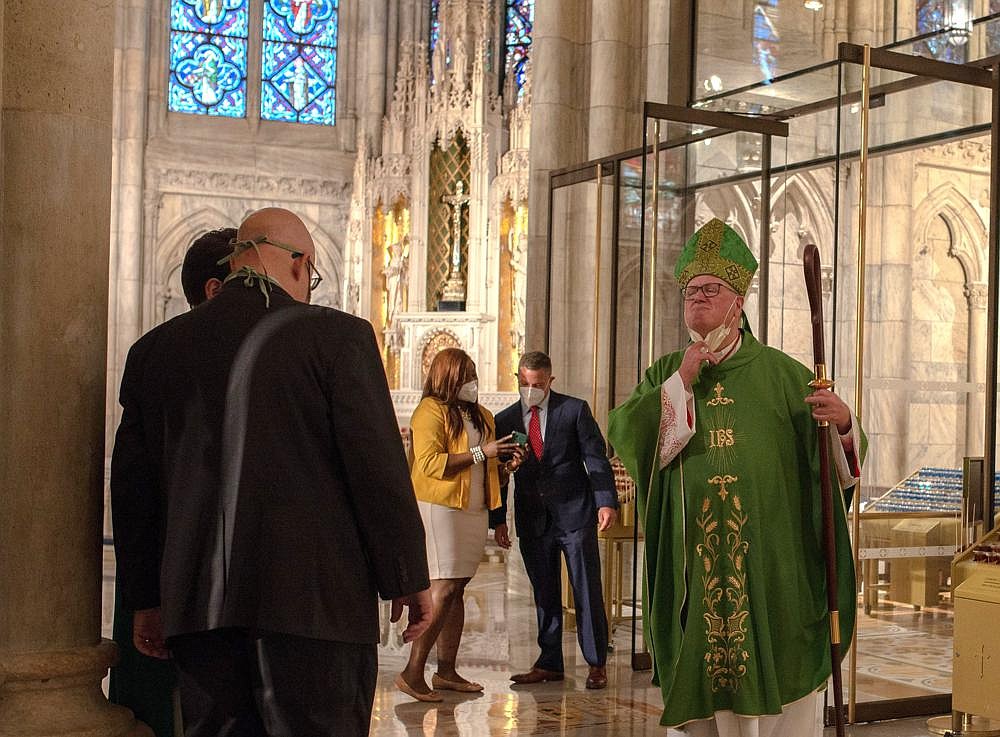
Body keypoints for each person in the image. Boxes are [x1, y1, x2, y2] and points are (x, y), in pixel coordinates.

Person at [111, 207, 432, 737]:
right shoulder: (339, 338)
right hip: (317, 609)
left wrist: (146, 598)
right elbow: (375, 469)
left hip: (198, 610)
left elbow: (135, 491)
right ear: (301, 264)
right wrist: (406, 576)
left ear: (238, 261)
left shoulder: (155, 351)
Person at [607, 218, 865, 737]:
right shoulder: (665, 373)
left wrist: (844, 428)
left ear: (738, 301)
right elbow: (627, 436)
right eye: (689, 292)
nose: (697, 300)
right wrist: (681, 383)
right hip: (696, 579)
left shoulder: (786, 375)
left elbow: (831, 481)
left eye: (710, 290)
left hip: (774, 576)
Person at [108, 226, 235, 737]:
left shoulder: (150, 351)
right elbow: (135, 485)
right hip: (173, 566)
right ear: (214, 290)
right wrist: (145, 598)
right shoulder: (163, 357)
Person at [396, 348, 521, 702]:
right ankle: (412, 671)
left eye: (473, 373)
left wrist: (507, 463)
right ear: (448, 376)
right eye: (465, 374)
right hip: (440, 507)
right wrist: (486, 453)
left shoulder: (482, 414)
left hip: (472, 508)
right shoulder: (428, 412)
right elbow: (432, 463)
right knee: (445, 586)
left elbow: (487, 467)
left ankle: (446, 670)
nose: (472, 381)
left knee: (458, 588)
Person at [491, 351, 619, 690]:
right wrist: (498, 520)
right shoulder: (504, 420)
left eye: (537, 384)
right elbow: (497, 475)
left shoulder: (573, 410)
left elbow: (596, 459)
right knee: (544, 592)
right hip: (534, 518)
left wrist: (606, 502)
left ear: (550, 381)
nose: (530, 389)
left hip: (575, 514)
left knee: (586, 590)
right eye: (524, 383)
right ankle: (549, 662)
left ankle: (596, 663)